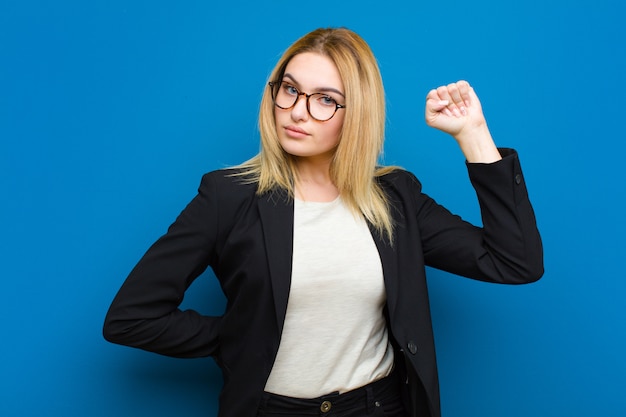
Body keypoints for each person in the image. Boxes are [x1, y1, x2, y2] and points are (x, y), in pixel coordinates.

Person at [103, 27, 543, 417]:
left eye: (326, 100)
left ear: (357, 115)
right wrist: (237, 335)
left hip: (378, 406)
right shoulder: (229, 196)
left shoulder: (394, 198)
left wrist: (473, 134)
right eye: (290, 89)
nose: (297, 111)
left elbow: (514, 262)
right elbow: (131, 317)